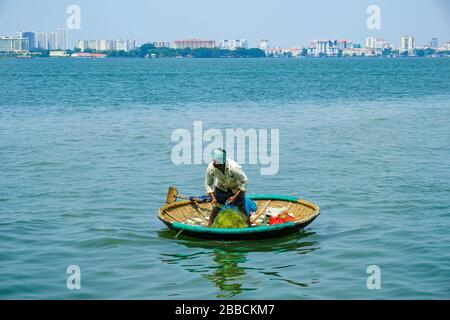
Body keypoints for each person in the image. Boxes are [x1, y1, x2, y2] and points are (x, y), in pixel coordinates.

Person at [205, 148, 249, 226]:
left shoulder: (233, 167)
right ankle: (210, 226)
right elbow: (208, 184)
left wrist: (235, 197)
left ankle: (248, 226)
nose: (213, 163)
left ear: (222, 162)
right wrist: (213, 197)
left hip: (236, 189)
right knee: (216, 209)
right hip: (220, 187)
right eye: (213, 160)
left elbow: (244, 181)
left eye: (216, 161)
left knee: (241, 208)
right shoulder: (211, 168)